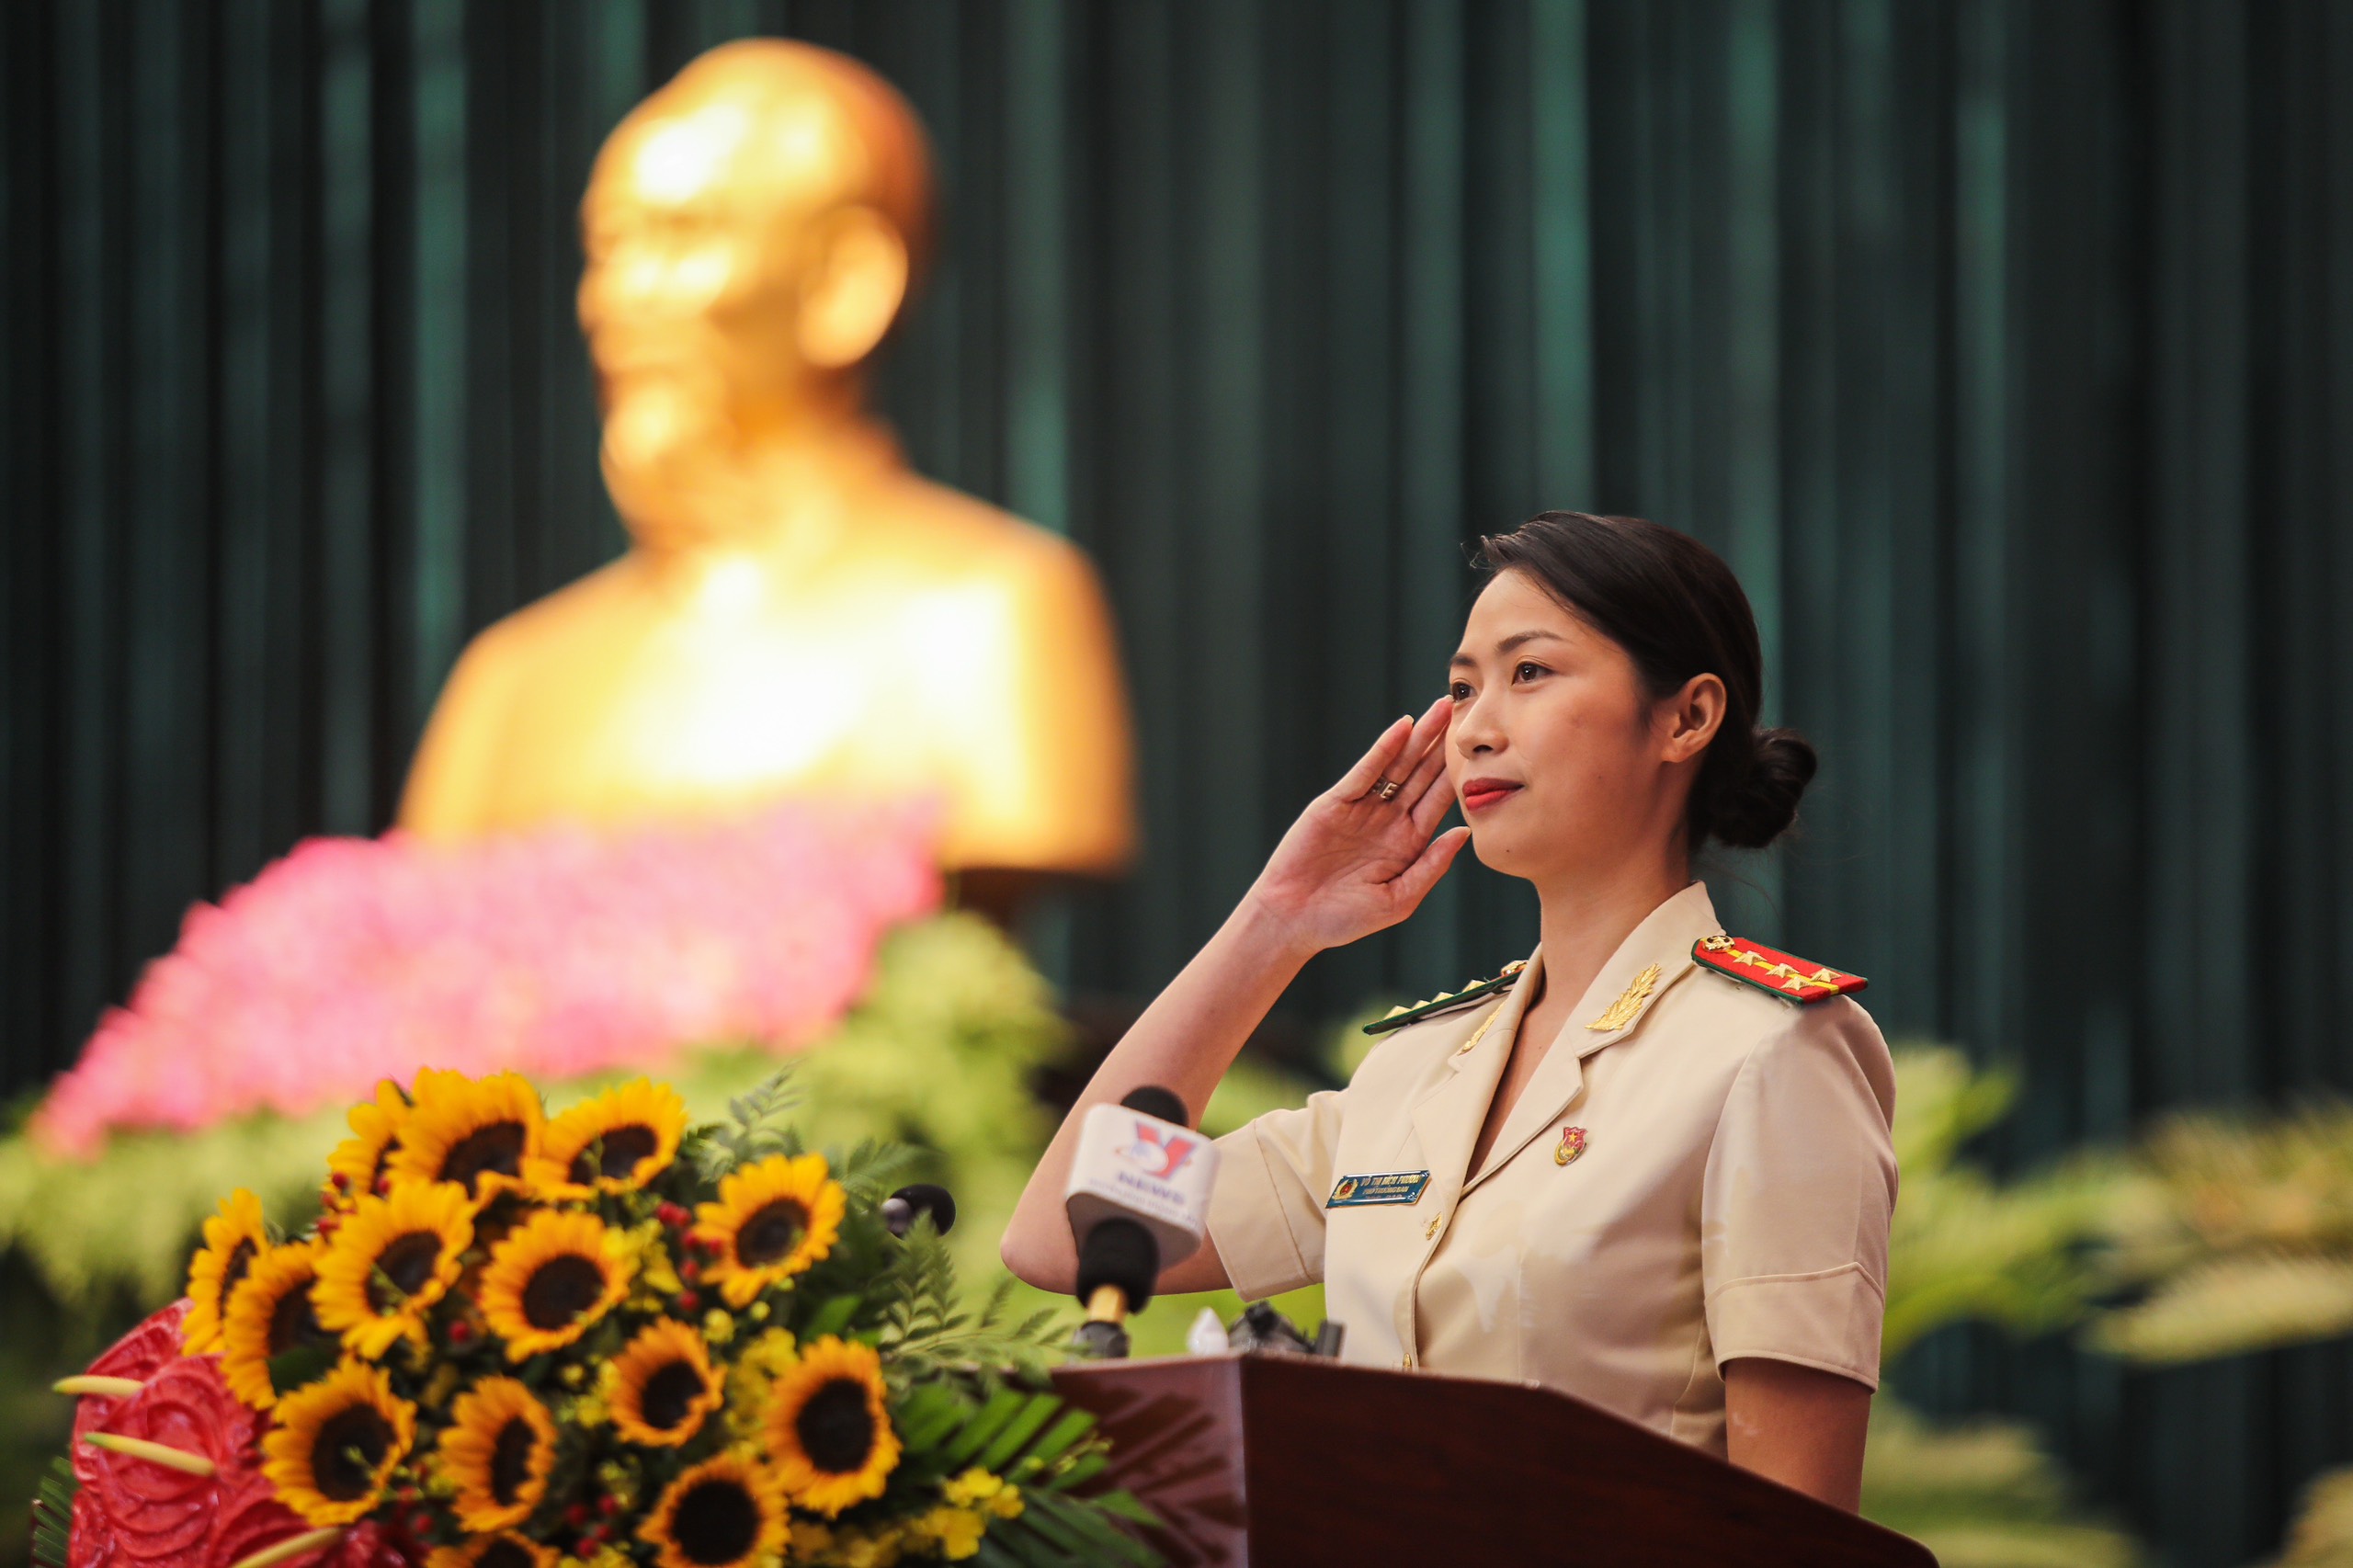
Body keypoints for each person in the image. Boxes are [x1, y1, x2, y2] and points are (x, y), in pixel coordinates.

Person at [1002, 511, 1896, 1512]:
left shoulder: (1769, 1051)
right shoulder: (1411, 1076)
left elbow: (1800, 1528)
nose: (1473, 724)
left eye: (1531, 673)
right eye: (1463, 685)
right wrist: (1273, 924)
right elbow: (1069, 1233)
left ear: (1685, 718)